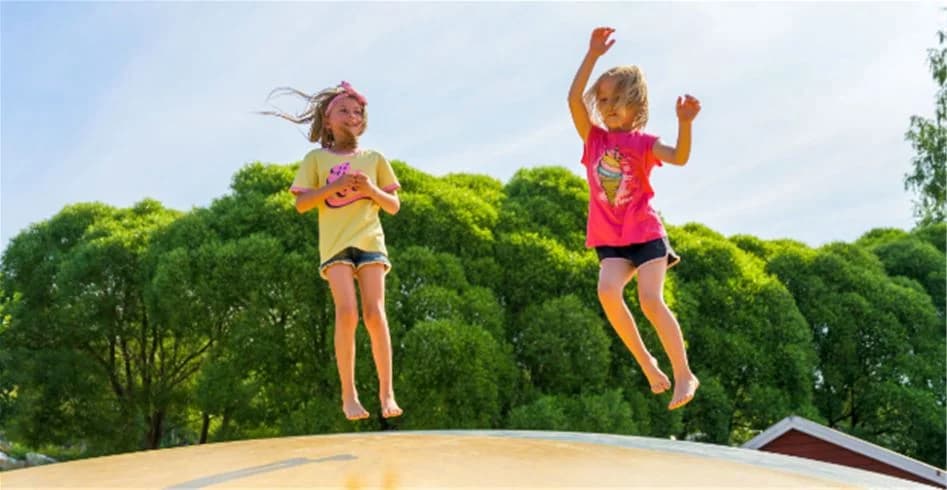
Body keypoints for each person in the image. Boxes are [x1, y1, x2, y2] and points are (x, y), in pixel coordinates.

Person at [567, 27, 701, 410]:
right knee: (607, 292)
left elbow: (679, 157)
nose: (609, 106)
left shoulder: (642, 144)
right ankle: (647, 362)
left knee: (649, 299)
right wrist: (592, 53)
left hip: (644, 234)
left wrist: (685, 123)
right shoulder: (594, 140)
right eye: (604, 99)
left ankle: (683, 373)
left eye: (618, 100)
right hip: (610, 237)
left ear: (637, 105)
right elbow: (573, 98)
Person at [261, 80, 403, 420]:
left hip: (370, 240)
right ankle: (349, 396)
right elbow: (302, 203)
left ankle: (387, 393)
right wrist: (335, 186)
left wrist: (369, 189)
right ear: (328, 119)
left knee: (374, 312)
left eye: (357, 111)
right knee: (347, 312)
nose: (352, 115)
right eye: (344, 110)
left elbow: (394, 205)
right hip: (336, 244)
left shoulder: (375, 159)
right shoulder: (316, 159)